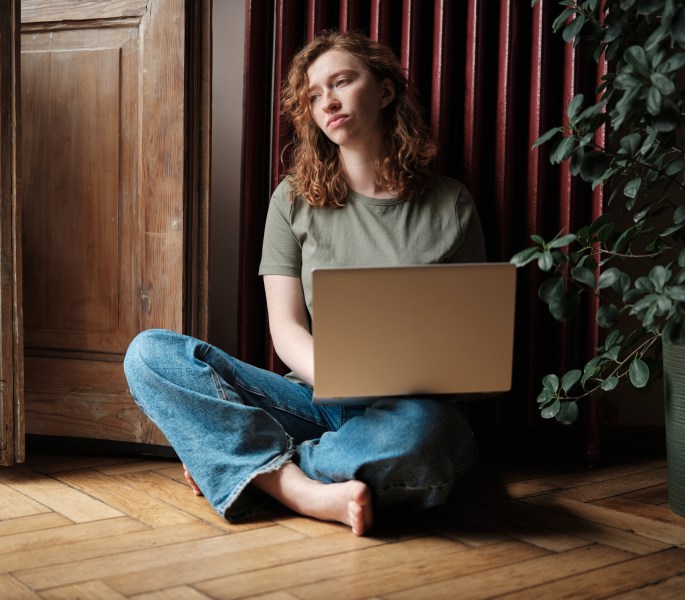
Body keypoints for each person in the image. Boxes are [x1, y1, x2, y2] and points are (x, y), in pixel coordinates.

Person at [123, 31, 486, 536]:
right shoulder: (291, 201)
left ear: (384, 91)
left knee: (431, 435)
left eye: (342, 82)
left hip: (409, 410)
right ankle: (304, 492)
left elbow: (470, 337)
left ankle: (245, 467)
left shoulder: (452, 204)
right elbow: (287, 328)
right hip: (312, 400)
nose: (328, 101)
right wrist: (346, 376)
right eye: (314, 95)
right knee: (148, 354)